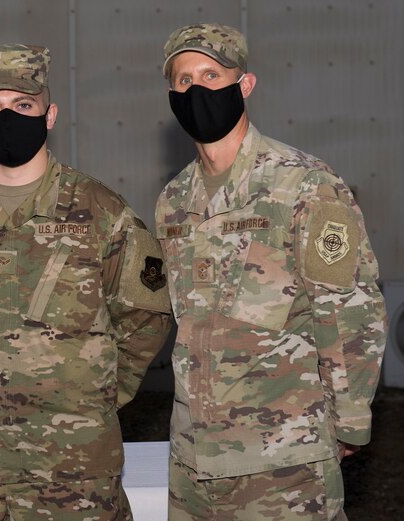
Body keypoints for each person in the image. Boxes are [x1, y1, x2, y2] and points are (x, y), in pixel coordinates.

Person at [0, 43, 172, 520]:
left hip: (74, 466)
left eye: (23, 105)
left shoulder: (100, 210)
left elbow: (146, 315)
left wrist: (94, 392)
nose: (7, 118)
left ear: (50, 114)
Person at [155, 23, 387, 520]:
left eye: (212, 75)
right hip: (193, 461)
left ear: (245, 85)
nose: (197, 89)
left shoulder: (303, 185)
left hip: (284, 459)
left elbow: (349, 312)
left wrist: (347, 422)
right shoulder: (174, 200)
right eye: (183, 80)